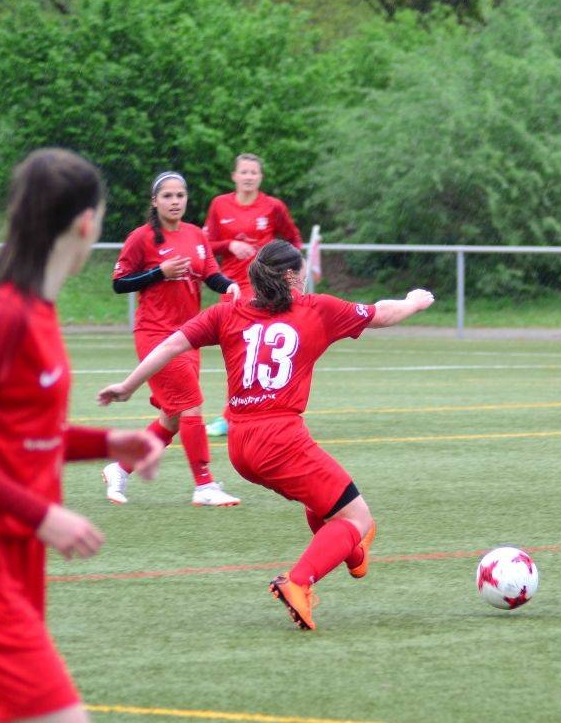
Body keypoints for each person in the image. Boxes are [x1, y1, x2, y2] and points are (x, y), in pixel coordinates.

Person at [97, 241, 434, 630]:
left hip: (240, 444)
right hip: (281, 440)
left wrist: (128, 385)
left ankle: (352, 554)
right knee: (358, 518)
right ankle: (299, 582)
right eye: (302, 272)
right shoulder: (315, 309)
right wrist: (413, 302)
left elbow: (171, 343)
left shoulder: (228, 313)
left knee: (327, 504)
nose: (305, 279)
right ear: (291, 276)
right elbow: (381, 313)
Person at [0, 148, 164, 722]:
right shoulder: (1, 314)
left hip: (16, 558)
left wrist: (107, 443)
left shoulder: (37, 311)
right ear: (86, 223)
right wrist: (42, 514)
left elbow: (18, 434)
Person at [102, 171, 242, 507]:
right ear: (155, 201)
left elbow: (211, 274)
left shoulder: (195, 234)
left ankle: (121, 468)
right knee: (191, 404)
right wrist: (158, 273)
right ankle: (204, 485)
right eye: (167, 196)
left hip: (188, 336)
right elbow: (120, 283)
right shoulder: (141, 238)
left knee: (173, 417)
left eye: (180, 195)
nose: (175, 201)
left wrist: (230, 286)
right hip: (154, 334)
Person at [202, 153, 302, 438]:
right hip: (231, 288)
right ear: (234, 176)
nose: (248, 177)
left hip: (263, 289)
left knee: (252, 353)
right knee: (237, 355)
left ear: (260, 177)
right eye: (244, 172)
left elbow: (293, 241)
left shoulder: (273, 207)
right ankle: (241, 412)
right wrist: (229, 245)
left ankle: (233, 416)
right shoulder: (220, 205)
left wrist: (291, 272)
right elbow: (206, 244)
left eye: (253, 172)